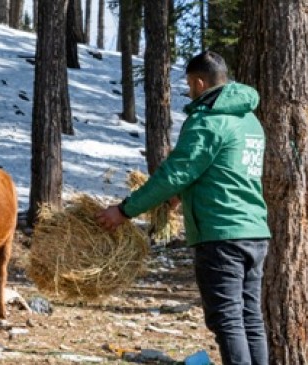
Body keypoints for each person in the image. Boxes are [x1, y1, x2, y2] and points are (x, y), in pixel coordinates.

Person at [96, 51, 271, 365]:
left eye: (190, 84)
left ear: (200, 82)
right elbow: (223, 168)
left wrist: (124, 210)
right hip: (255, 231)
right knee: (250, 318)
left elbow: (176, 172)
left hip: (221, 235)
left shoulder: (208, 119)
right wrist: (183, 195)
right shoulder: (249, 120)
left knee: (227, 320)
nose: (190, 91)